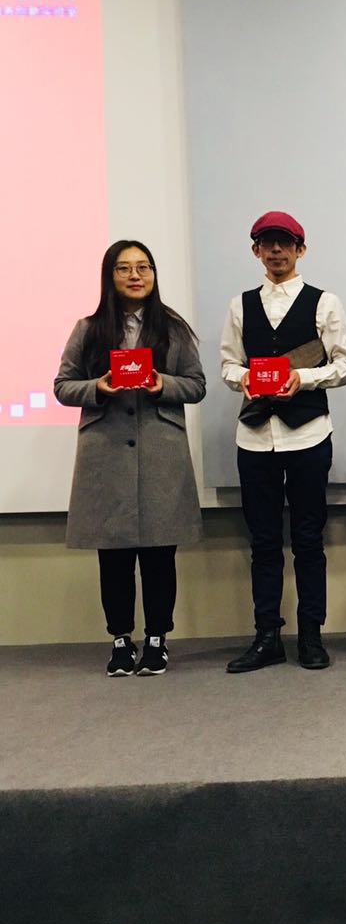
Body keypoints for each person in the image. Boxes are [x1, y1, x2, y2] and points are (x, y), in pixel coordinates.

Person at [54, 239, 205, 676]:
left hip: (160, 451)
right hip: (106, 454)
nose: (135, 275)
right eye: (124, 268)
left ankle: (157, 639)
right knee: (114, 556)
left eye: (144, 267)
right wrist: (97, 387)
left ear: (154, 275)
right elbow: (63, 386)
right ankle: (120, 639)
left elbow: (196, 384)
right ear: (111, 276)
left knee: (160, 553)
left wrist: (163, 384)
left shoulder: (174, 328)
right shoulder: (88, 329)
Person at [218, 211, 346, 672]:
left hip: (309, 434)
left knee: (308, 540)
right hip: (254, 436)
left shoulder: (324, 302)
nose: (276, 250)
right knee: (262, 542)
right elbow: (228, 365)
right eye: (267, 243)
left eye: (285, 242)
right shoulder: (240, 305)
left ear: (301, 249)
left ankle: (311, 636)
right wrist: (244, 380)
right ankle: (267, 637)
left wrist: (304, 378)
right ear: (256, 250)